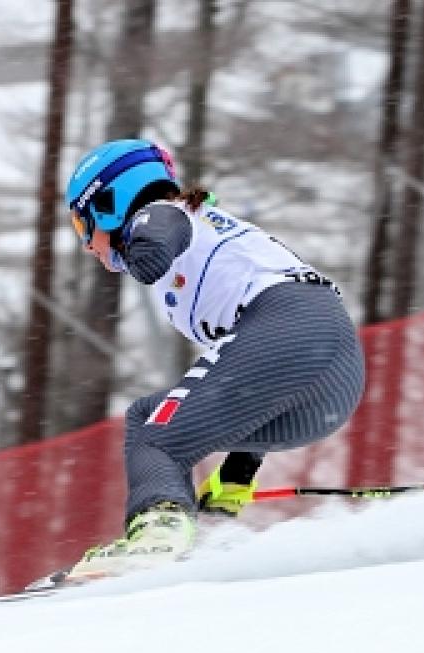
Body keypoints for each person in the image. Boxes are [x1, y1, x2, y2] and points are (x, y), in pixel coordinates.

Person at [61, 138, 366, 583]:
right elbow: (252, 379)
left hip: (292, 326)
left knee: (153, 434)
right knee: (169, 428)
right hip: (333, 379)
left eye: (82, 224)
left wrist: (141, 251)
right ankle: (178, 535)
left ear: (110, 202)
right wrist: (238, 475)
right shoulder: (206, 225)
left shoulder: (162, 214)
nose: (88, 244)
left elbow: (156, 242)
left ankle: (157, 533)